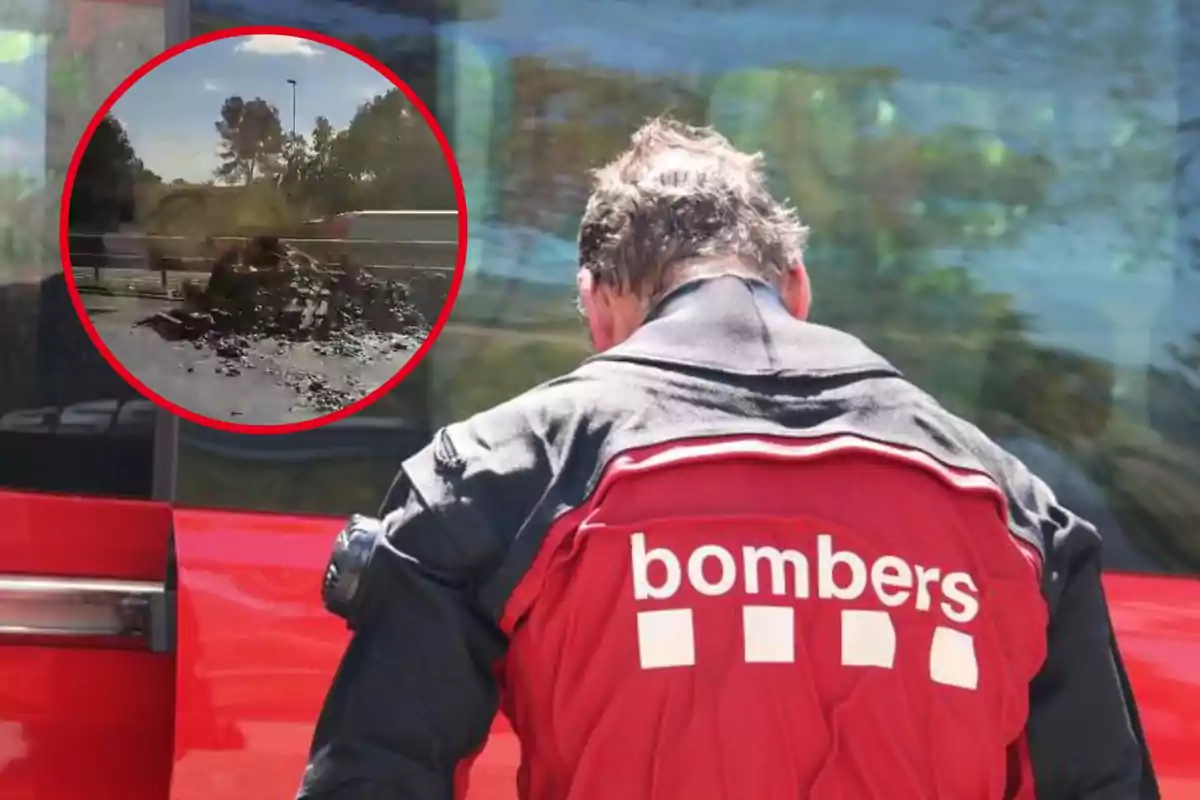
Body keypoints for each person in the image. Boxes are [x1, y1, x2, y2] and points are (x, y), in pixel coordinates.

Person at [296, 118, 1158, 800]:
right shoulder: (1013, 509)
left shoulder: (496, 475)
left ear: (598, 308)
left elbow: (375, 775)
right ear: (798, 286)